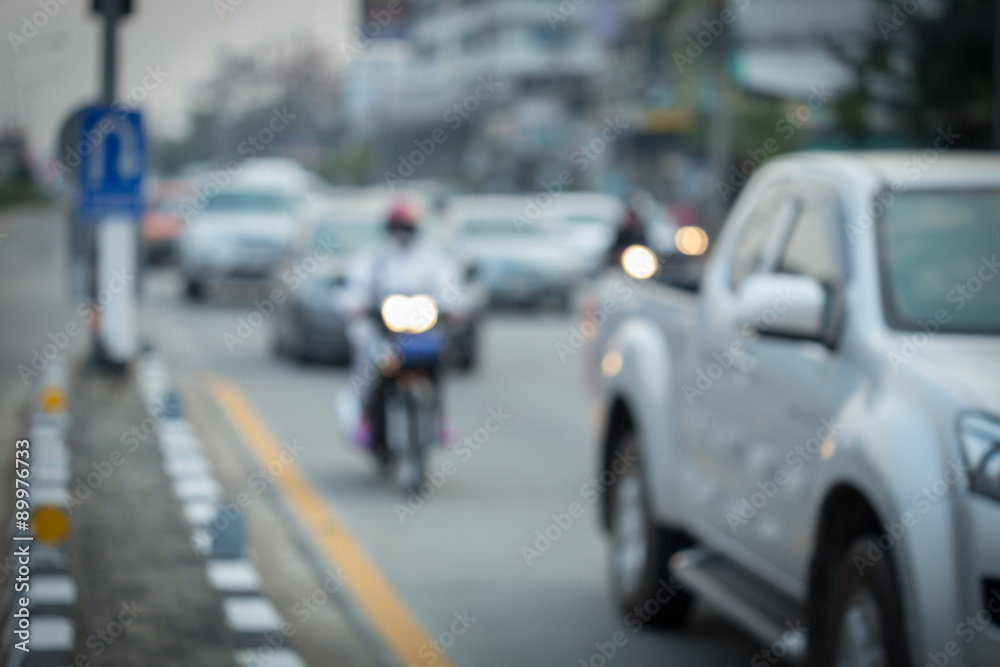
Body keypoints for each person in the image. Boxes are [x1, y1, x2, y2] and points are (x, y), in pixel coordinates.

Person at [344, 201, 460, 450]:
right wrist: (356, 304)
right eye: (398, 226)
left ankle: (440, 420)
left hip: (421, 330)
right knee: (370, 359)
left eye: (407, 227)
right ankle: (365, 420)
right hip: (385, 330)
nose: (402, 232)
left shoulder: (431, 256)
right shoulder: (375, 256)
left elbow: (449, 285)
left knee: (439, 361)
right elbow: (357, 285)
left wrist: (455, 306)